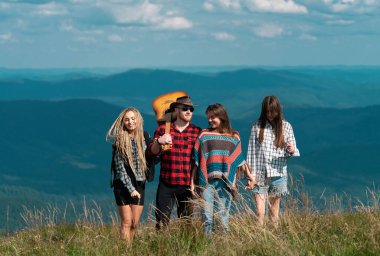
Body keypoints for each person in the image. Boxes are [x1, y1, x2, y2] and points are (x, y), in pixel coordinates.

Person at [190, 103, 255, 235]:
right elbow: (197, 161)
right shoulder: (204, 135)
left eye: (213, 117)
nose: (210, 120)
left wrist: (250, 177)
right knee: (207, 217)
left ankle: (223, 247)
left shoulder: (233, 136)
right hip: (207, 182)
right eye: (208, 117)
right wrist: (192, 183)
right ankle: (207, 247)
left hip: (225, 183)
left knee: (223, 217)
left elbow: (239, 159)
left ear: (222, 116)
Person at [149, 96, 201, 230]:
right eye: (185, 109)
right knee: (161, 222)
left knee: (186, 224)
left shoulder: (197, 132)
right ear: (176, 110)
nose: (189, 111)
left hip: (187, 185)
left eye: (191, 109)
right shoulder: (163, 129)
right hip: (166, 184)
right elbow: (151, 153)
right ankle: (161, 249)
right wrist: (159, 141)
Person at [247, 96, 300, 226]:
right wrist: (250, 175)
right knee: (260, 212)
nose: (270, 115)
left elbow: (292, 151)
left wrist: (291, 150)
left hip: (278, 173)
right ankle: (259, 238)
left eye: (273, 112)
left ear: (278, 110)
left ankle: (274, 236)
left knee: (273, 210)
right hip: (259, 174)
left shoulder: (286, 126)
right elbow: (251, 152)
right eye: (267, 112)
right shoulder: (257, 127)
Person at [106, 107, 153, 243]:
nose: (130, 122)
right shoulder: (119, 141)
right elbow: (119, 169)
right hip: (122, 184)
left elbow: (150, 158)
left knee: (134, 223)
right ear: (123, 122)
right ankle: (124, 250)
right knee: (126, 222)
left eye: (133, 119)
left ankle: (130, 248)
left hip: (139, 182)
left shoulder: (144, 137)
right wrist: (131, 189)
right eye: (127, 119)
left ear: (138, 120)